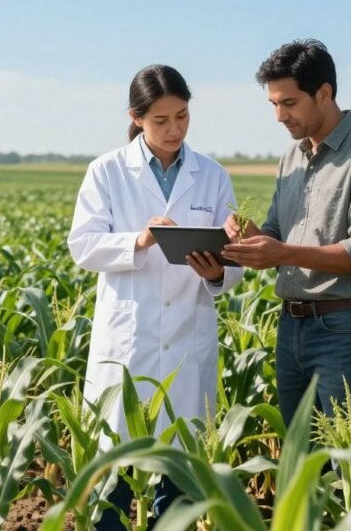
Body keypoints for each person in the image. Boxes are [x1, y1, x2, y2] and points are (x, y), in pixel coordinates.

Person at [68, 64, 243, 530]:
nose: (174, 130)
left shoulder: (212, 175)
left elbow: (235, 261)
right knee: (114, 483)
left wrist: (217, 273)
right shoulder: (106, 172)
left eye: (183, 117)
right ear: (137, 118)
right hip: (129, 347)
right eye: (161, 121)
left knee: (178, 485)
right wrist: (139, 241)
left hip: (188, 341)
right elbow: (83, 247)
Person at [222, 39, 351, 432]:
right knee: (299, 457)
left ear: (324, 94)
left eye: (288, 103)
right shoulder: (292, 156)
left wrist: (283, 253)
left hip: (347, 330)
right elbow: (276, 232)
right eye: (273, 104)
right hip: (291, 327)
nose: (279, 116)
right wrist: (247, 235)